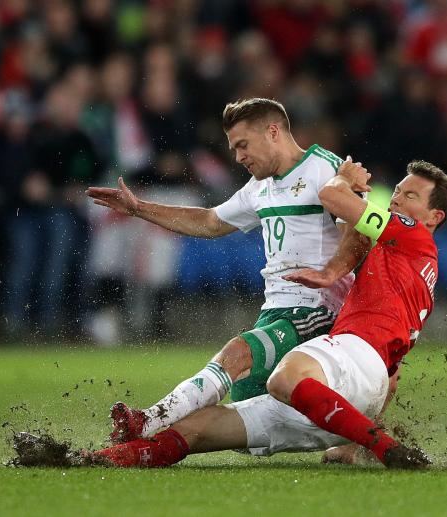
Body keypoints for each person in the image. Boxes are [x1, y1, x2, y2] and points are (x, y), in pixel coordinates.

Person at [90, 159, 447, 469]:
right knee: (197, 428)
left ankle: (385, 446)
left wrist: (345, 178)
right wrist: (347, 442)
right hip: (344, 405)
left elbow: (331, 195)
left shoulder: (410, 234)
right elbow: (390, 378)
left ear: (433, 216)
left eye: (409, 197)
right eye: (395, 192)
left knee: (283, 379)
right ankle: (94, 460)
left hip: (351, 356)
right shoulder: (418, 278)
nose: (395, 201)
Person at [85, 98, 367, 442]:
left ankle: (146, 421)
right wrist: (138, 207)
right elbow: (209, 221)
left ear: (273, 132)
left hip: (318, 310)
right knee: (249, 408)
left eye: (243, 145)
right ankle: (344, 433)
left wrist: (331, 273)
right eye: (234, 149)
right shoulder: (260, 186)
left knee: (237, 353)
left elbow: (358, 231)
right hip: (276, 312)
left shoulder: (327, 169)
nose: (238, 157)